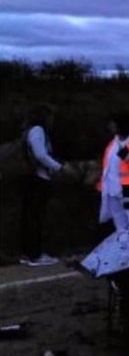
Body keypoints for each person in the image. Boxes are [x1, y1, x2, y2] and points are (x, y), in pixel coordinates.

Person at [19, 103, 65, 266]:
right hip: (38, 179)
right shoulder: (38, 130)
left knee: (29, 216)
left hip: (30, 178)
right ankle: (35, 254)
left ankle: (27, 253)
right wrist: (58, 167)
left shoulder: (27, 131)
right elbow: (41, 154)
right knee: (35, 217)